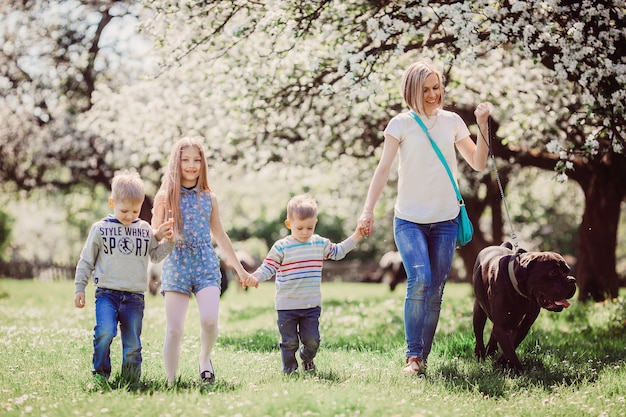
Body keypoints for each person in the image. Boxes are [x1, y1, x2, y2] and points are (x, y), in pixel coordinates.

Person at [357, 60, 491, 375]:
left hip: (446, 220)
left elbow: (478, 163)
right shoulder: (400, 124)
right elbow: (383, 170)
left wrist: (482, 124)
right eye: (425, 90)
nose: (433, 95)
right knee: (420, 280)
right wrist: (367, 210)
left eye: (436, 88)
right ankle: (413, 356)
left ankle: (422, 358)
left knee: (436, 289)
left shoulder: (453, 122)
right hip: (409, 220)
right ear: (411, 92)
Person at [151, 136, 255, 385]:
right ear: (176, 162)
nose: (191, 165)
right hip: (177, 262)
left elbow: (220, 235)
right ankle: (170, 380)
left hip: (205, 263)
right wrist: (161, 234)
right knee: (174, 330)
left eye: (197, 160)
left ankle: (205, 359)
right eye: (185, 159)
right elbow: (153, 237)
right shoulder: (164, 197)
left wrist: (240, 270)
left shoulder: (208, 197)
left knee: (209, 321)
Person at [74, 170, 175, 386]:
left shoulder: (145, 229)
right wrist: (79, 287)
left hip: (134, 298)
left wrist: (169, 242)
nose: (130, 216)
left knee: (133, 344)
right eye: (124, 210)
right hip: (107, 294)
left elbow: (155, 256)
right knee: (105, 332)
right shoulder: (100, 229)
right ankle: (100, 373)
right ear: (112, 203)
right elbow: (86, 260)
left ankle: (131, 379)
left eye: (135, 211)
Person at [246, 194, 364, 374]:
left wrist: (356, 236)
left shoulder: (318, 243)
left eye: (309, 227)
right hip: (287, 306)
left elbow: (338, 251)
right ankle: (289, 370)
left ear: (315, 223)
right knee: (289, 342)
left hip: (311, 305)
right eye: (299, 227)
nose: (304, 232)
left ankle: (307, 359)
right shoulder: (282, 247)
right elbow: (268, 267)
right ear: (289, 224)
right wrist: (255, 277)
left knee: (312, 340)